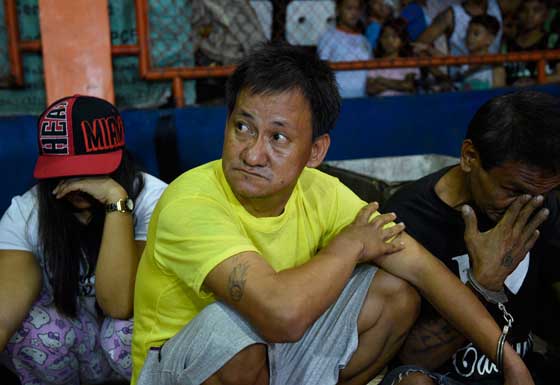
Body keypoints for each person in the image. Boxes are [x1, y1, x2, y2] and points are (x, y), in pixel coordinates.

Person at [131, 43, 533, 385]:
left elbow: (423, 270)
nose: (253, 153)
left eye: (278, 137)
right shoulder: (191, 201)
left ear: (317, 152)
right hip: (180, 369)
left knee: (395, 291)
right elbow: (280, 317)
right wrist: (350, 246)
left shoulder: (320, 191)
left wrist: (508, 359)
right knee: (232, 331)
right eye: (242, 127)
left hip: (270, 355)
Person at [380, 90, 560, 385]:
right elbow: (411, 358)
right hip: (446, 376)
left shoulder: (540, 204)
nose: (524, 206)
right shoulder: (408, 220)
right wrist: (482, 284)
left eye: (543, 193)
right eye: (512, 191)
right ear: (469, 157)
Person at [0, 95, 167, 385]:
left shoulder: (154, 200)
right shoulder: (27, 212)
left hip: (132, 352)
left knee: (124, 329)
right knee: (33, 332)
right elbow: (3, 315)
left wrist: (117, 203)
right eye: (64, 169)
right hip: (74, 348)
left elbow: (119, 305)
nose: (76, 180)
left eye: (90, 166)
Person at [317, 0, 372, 98]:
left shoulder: (364, 40)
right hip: (338, 97)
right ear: (338, 10)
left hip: (362, 97)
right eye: (349, 8)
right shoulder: (329, 37)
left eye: (357, 9)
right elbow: (322, 70)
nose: (354, 13)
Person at [503, 0, 560, 86]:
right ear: (518, 14)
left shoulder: (553, 41)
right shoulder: (507, 45)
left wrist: (535, 82)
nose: (529, 15)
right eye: (524, 10)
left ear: (546, 14)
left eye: (536, 10)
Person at [367, 17, 421, 96]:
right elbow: (370, 89)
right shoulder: (375, 63)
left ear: (402, 40)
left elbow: (408, 85)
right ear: (380, 40)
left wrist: (382, 80)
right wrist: (398, 85)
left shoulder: (408, 62)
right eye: (385, 36)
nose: (389, 41)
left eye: (394, 36)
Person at [458, 14, 505, 90]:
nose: (470, 37)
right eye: (468, 32)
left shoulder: (496, 67)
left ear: (489, 39)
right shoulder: (463, 64)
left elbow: (498, 96)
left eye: (476, 34)